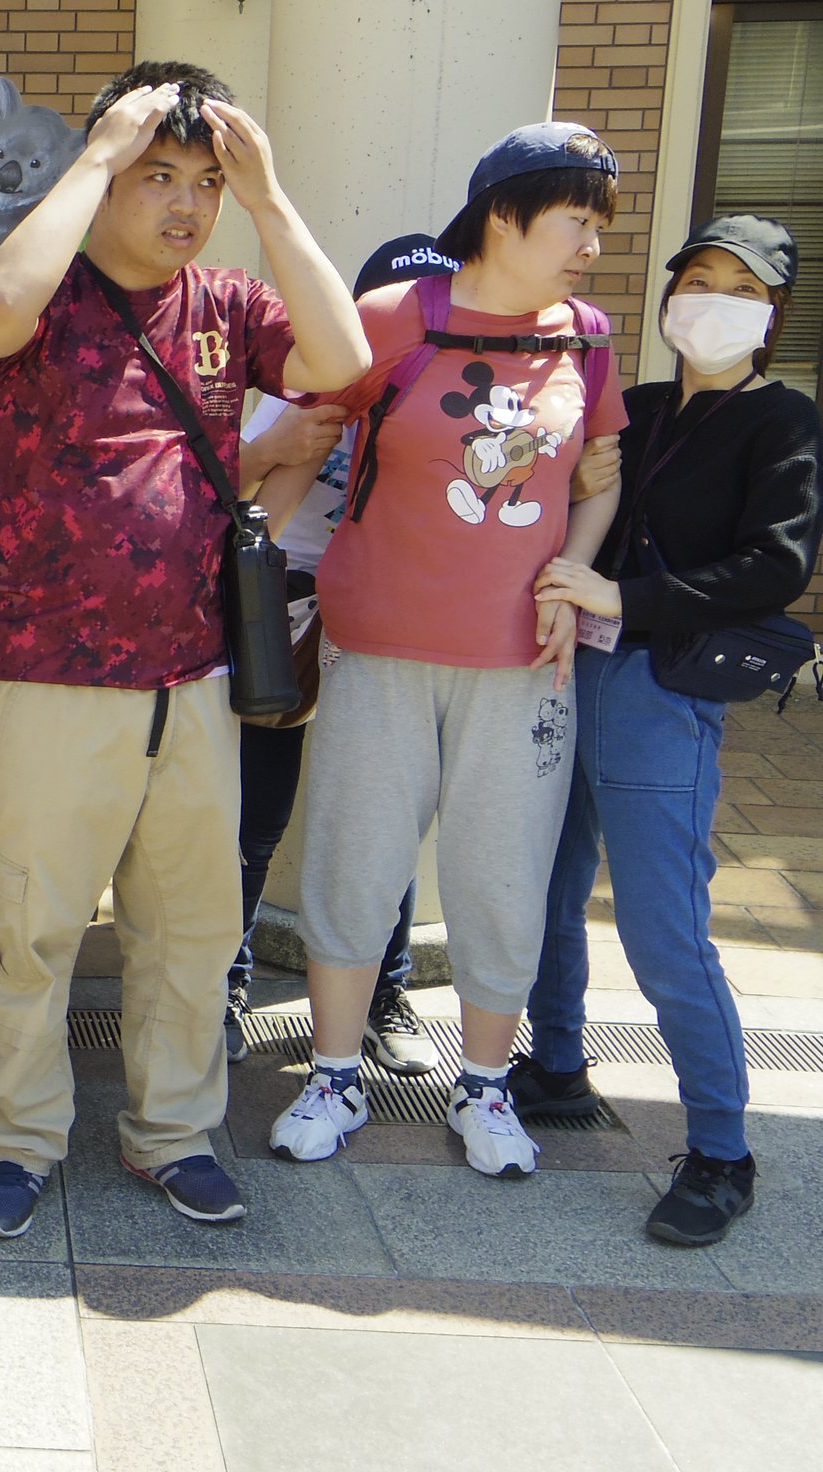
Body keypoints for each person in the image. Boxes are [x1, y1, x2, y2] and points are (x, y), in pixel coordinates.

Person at [0, 60, 371, 1239]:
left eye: (205, 182)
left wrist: (270, 195)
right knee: (30, 926)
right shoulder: (46, 288)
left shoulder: (228, 304)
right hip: (47, 676)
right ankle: (17, 1137)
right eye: (158, 176)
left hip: (190, 678)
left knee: (189, 930)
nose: (186, 204)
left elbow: (340, 364)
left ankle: (172, 1133)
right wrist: (94, 154)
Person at [264, 123, 626, 1179]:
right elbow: (303, 444)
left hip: (521, 664)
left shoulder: (587, 337)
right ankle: (334, 1076)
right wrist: (237, 569)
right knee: (352, 861)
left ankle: (483, 1087)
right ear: (503, 216)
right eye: (576, 222)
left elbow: (598, 477)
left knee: (502, 876)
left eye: (598, 227)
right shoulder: (392, 317)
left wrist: (571, 573)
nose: (592, 246)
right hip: (376, 647)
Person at [520, 215, 822, 1244]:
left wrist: (625, 598)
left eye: (740, 287)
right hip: (566, 675)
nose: (712, 300)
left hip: (660, 690)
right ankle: (555, 1062)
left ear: (772, 314)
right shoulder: (637, 405)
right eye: (698, 278)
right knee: (548, 887)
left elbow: (774, 567)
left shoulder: (782, 421)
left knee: (661, 929)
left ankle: (722, 1152)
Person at [227, 235, 465, 1078]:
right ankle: (227, 981)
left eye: (433, 313)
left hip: (393, 623)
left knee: (386, 819)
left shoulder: (461, 409)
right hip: (285, 618)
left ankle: (382, 995)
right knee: (253, 818)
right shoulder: (308, 392)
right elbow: (237, 504)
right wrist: (284, 445)